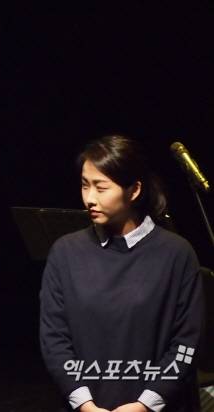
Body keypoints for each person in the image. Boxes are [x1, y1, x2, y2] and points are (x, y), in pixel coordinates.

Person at [39, 135, 204, 412]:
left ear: (134, 190)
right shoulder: (65, 252)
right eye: (85, 185)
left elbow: (187, 343)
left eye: (101, 188)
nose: (89, 198)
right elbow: (53, 339)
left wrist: (145, 404)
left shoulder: (176, 254)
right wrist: (85, 404)